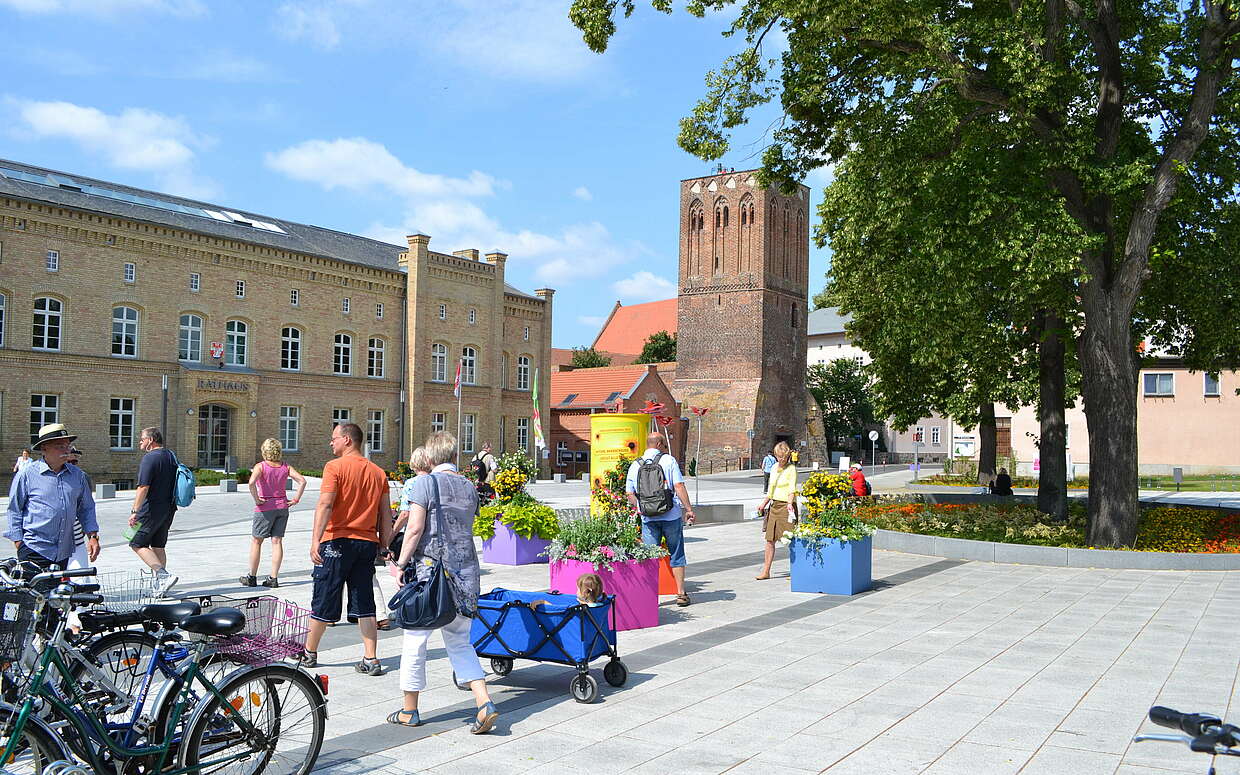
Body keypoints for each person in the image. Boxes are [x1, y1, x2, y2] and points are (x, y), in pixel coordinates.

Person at [388, 431, 497, 734]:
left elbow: (415, 528)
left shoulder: (424, 483)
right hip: (466, 574)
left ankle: (410, 710)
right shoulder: (469, 487)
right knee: (460, 641)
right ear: (454, 456)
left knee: (415, 639)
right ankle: (484, 701)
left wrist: (399, 565)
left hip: (431, 574)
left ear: (431, 458)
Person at [300, 422, 394, 676]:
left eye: (334, 438)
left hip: (336, 541)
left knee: (325, 596)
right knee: (365, 600)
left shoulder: (334, 467)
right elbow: (385, 513)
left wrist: (315, 540)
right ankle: (371, 658)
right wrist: (384, 545)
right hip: (366, 544)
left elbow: (325, 505)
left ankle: (309, 653)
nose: (331, 443)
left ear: (348, 440)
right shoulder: (378, 472)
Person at [6, 424, 100, 570]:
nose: (66, 450)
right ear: (44, 448)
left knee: (59, 591)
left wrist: (93, 537)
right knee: (37, 592)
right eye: (59, 446)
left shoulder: (78, 476)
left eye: (67, 445)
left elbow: (87, 508)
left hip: (63, 551)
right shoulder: (27, 474)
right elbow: (14, 509)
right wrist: (19, 542)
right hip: (34, 549)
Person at [626, 432, 696, 607]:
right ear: (658, 444)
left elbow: (629, 493)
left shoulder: (635, 464)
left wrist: (641, 508)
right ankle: (680, 593)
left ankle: (650, 597)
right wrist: (688, 509)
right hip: (670, 515)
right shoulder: (668, 461)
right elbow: (678, 486)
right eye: (664, 445)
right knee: (676, 552)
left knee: (650, 556)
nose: (664, 448)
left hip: (648, 517)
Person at [240, 439, 307, 588]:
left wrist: (257, 499)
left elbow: (251, 483)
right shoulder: (285, 466)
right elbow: (302, 481)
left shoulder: (261, 467)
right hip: (282, 506)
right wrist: (296, 499)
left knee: (257, 541)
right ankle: (273, 578)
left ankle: (252, 577)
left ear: (264, 451)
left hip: (265, 508)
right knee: (277, 542)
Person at [127, 428, 180, 595]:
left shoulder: (150, 458)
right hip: (168, 507)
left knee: (135, 541)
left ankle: (162, 575)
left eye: (142, 439)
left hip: (150, 508)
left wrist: (135, 511)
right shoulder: (170, 455)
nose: (140, 442)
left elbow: (143, 487)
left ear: (151, 440)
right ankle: (161, 587)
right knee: (158, 545)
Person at [755, 441, 797, 581]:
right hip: (774, 506)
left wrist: (790, 503)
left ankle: (796, 570)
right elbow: (771, 490)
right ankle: (766, 571)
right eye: (779, 457)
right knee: (769, 540)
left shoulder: (791, 469)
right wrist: (763, 504)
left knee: (791, 539)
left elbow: (792, 489)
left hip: (787, 506)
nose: (781, 460)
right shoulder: (773, 467)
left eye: (784, 457)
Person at [65, 448, 91, 571]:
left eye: (74, 462)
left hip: (76, 537)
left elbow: (87, 507)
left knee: (79, 577)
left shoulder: (82, 476)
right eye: (68, 461)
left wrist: (91, 535)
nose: (71, 465)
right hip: (50, 541)